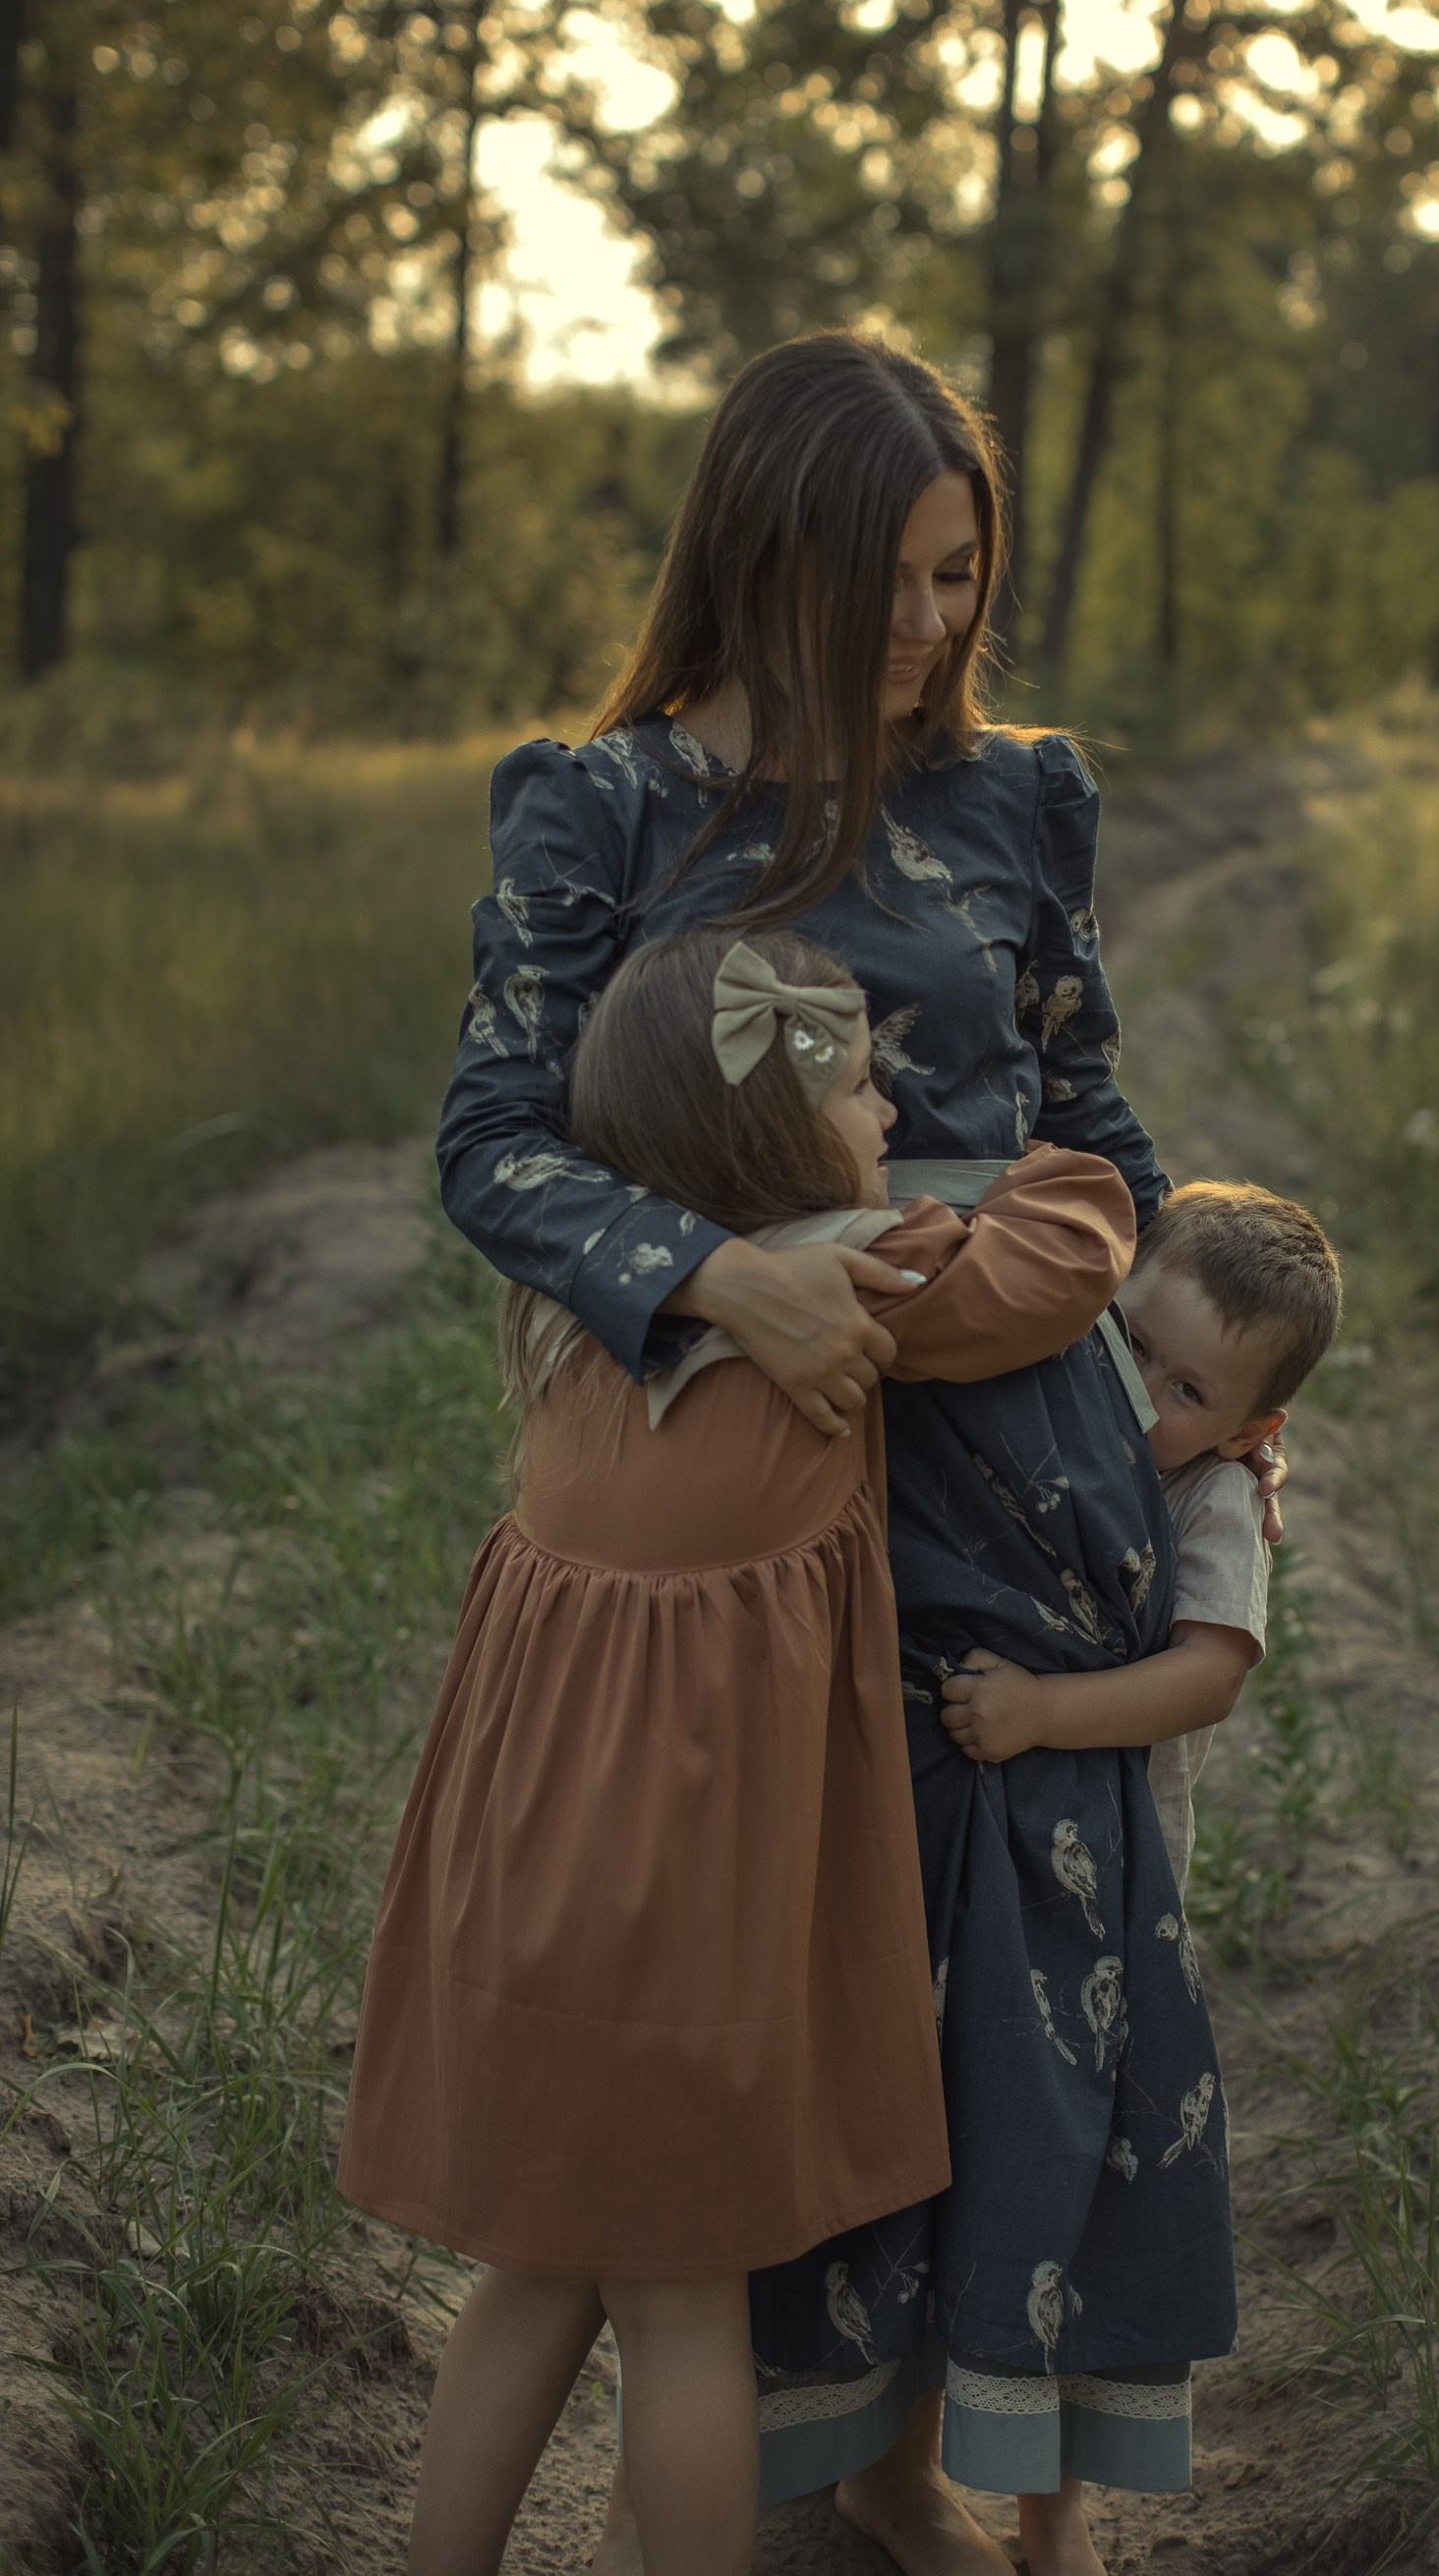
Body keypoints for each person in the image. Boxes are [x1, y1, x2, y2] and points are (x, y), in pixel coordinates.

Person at [434, 329, 1265, 2576]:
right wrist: (721, 1282)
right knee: (772, 2014)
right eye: (888, 580)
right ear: (767, 554)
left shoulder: (1022, 795)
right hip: (748, 1493)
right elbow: (491, 1142)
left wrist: (1199, 1413)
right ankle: (781, 2494)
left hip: (1019, 1482)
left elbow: (1096, 1124)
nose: (926, 629)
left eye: (956, 580)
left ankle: (922, 2485)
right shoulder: (598, 803)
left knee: (996, 1998)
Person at [338, 920, 1138, 2576]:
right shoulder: (850, 1276)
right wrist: (1069, 1152)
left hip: (522, 1876)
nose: (890, 1108)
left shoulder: (575, 1308)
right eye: (856, 1082)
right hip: (685, 1912)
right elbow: (1067, 1253)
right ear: (781, 1140)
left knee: (535, 2272)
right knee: (684, 2310)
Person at [938, 1182, 1343, 1898]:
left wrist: (1044, 1711)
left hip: (1105, 1852)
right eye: (1131, 1342)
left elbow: (1210, 1676)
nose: (1136, 1389)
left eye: (1187, 1390)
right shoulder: (1038, 1395)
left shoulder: (1215, 1497)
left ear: (1249, 1435)